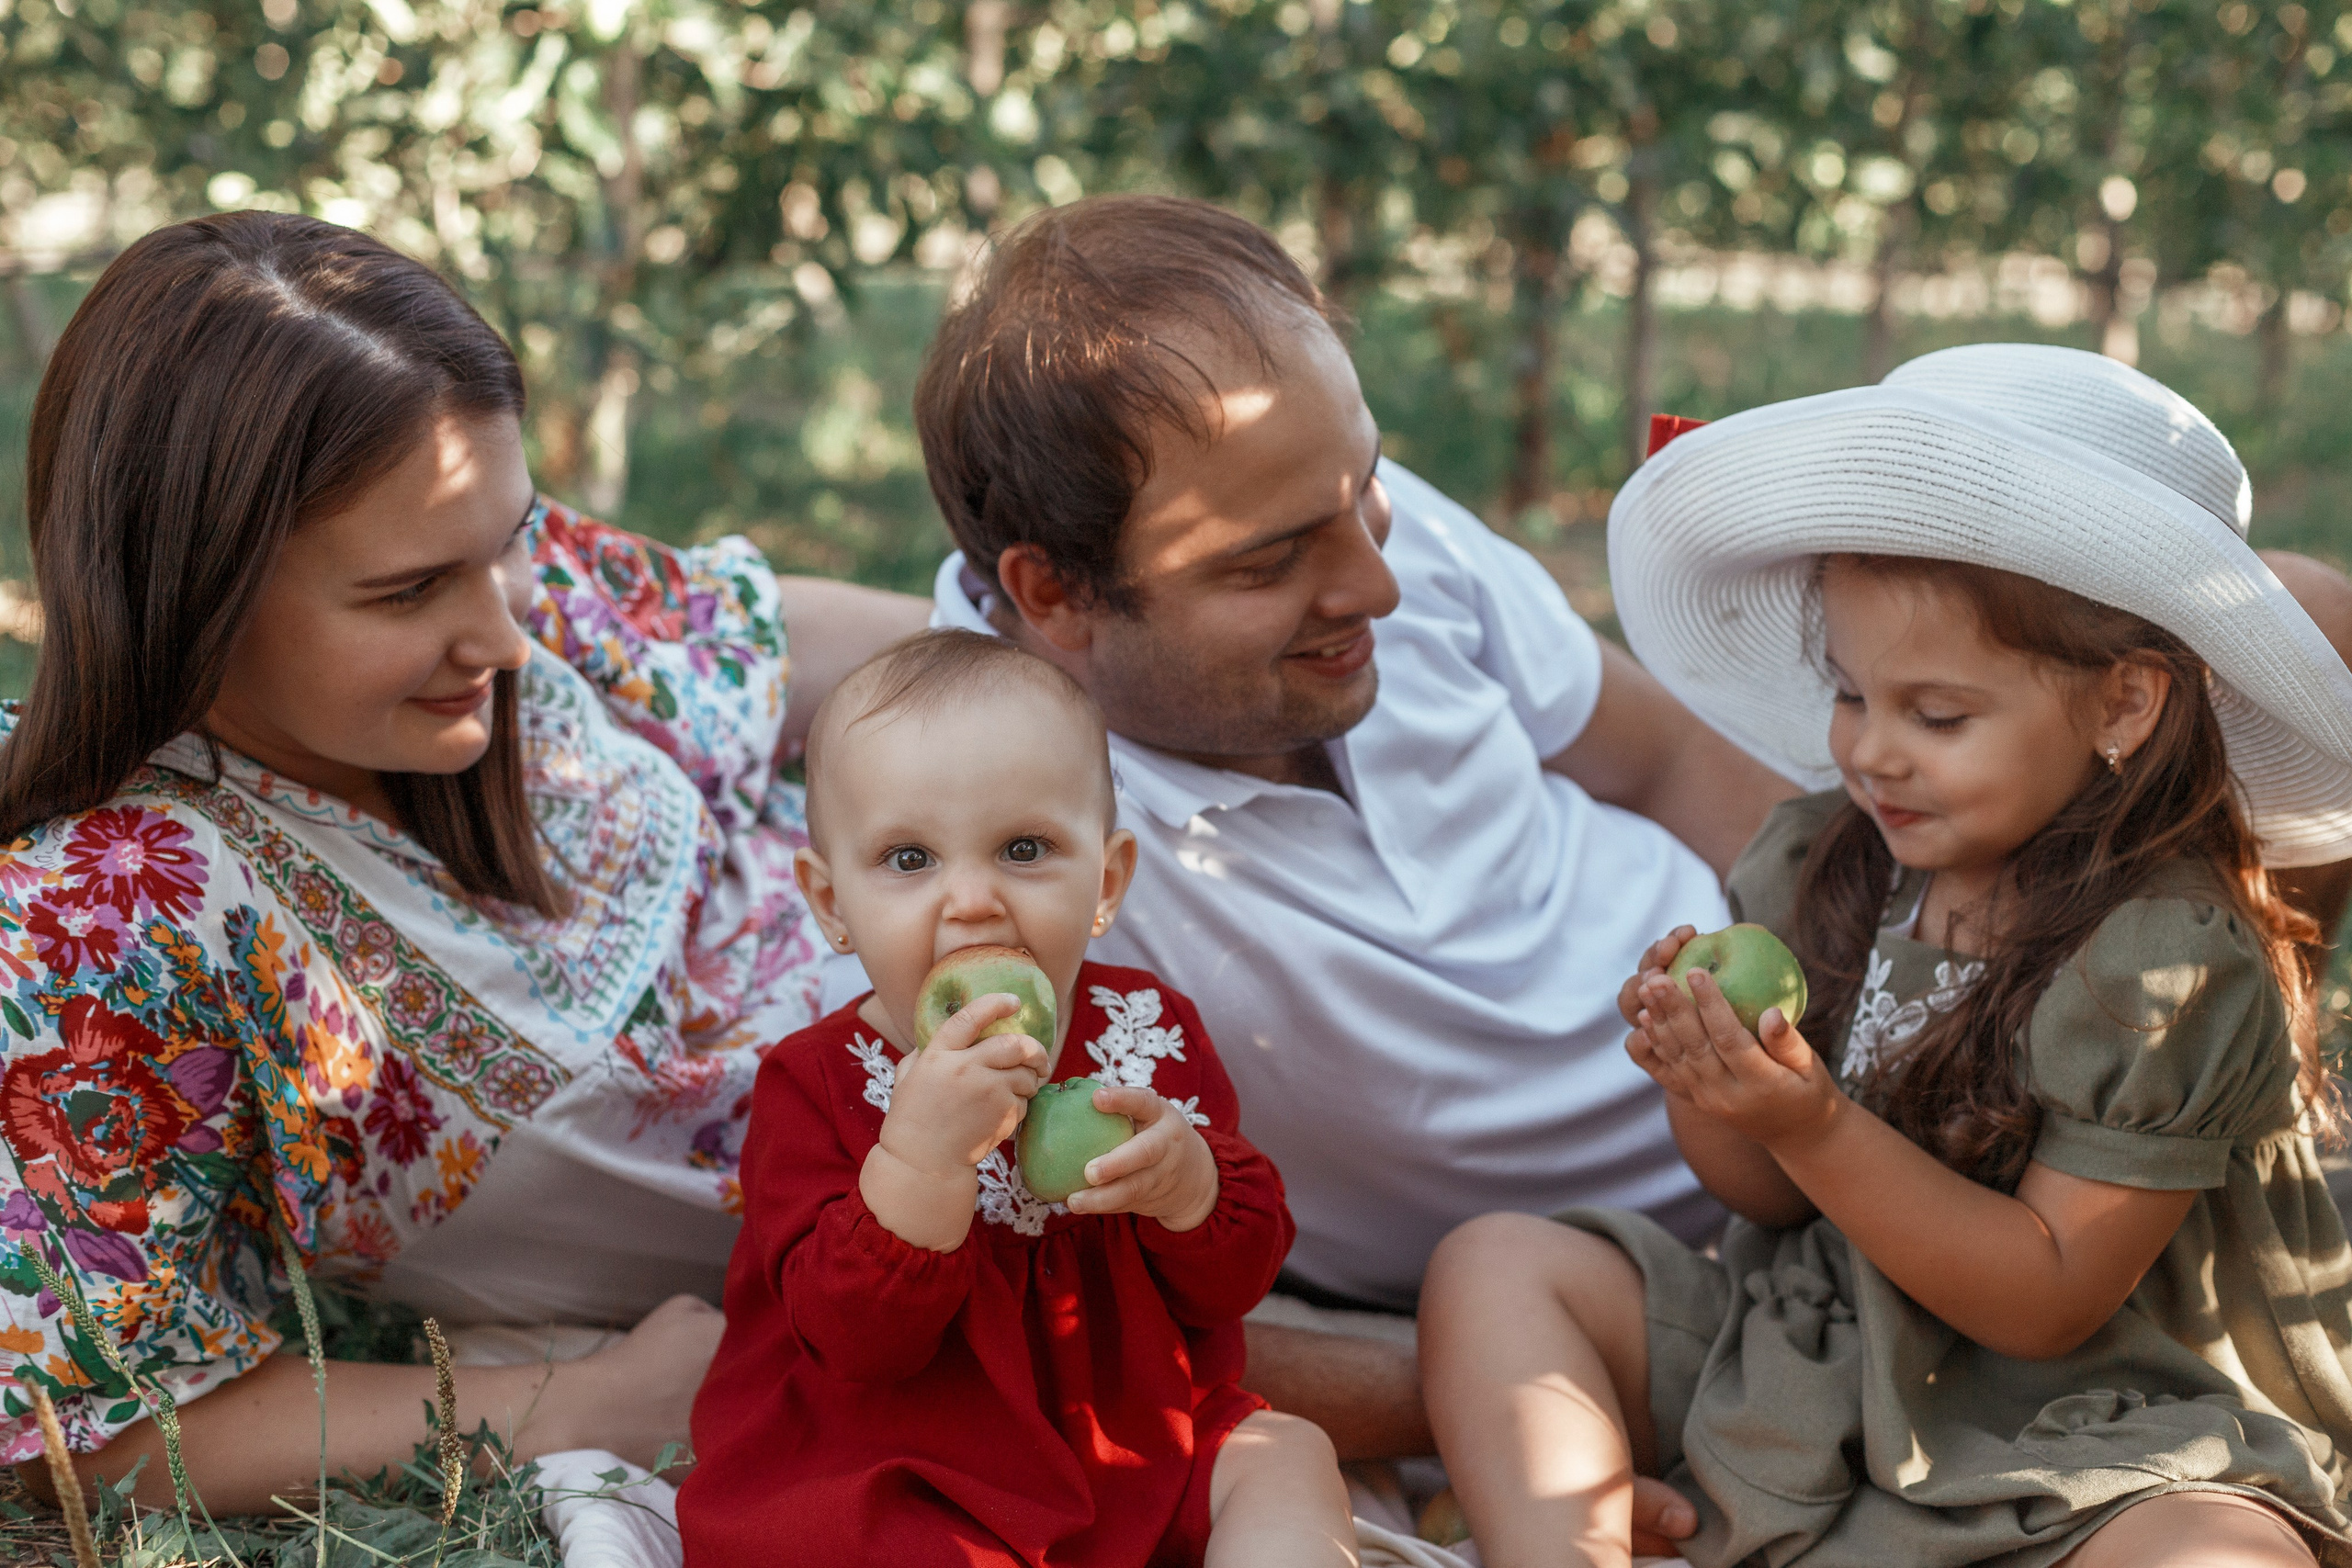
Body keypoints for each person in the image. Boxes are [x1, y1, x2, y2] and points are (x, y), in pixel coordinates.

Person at [905, 194, 2352, 1487]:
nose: (1382, 580)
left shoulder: (1354, 536)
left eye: (1364, 490)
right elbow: (1063, 1305)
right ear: (1054, 595)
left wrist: (1885, 950)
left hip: (1843, 1051)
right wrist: (1527, 1385)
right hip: (1642, 1247)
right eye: (1270, 560)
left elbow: (1658, 750)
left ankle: (2194, 1091)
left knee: (2295, 620)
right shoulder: (996, 846)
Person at [0, 212, 927, 1511]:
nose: (505, 629)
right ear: (194, 586)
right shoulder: (108, 910)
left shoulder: (465, 553)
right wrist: (589, 1403)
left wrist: (1055, 685)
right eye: (408, 591)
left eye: (511, 538)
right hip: (931, 1223)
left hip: (1057, 930)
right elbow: (89, 1425)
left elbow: (752, 642)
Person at [1419, 344, 2352, 1567]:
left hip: (2095, 1419)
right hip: (1820, 1352)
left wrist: (1811, 1124)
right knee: (1498, 1264)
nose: (1872, 752)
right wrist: (1714, 1083)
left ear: (2124, 703)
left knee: (2215, 1555)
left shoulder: (2164, 962)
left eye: (1939, 714)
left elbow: (2048, 1293)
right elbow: (1763, 1195)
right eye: (1852, 693)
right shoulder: (1833, 861)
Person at [681, 630, 1354, 1566]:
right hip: (911, 1462)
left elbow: (1234, 1281)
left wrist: (1187, 1186)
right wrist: (921, 1162)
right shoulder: (820, 1082)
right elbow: (854, 1343)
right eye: (909, 860)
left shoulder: (1148, 1036)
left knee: (1285, 1457)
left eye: (1023, 848)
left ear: (1105, 882)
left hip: (1132, 1444)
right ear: (831, 904)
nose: (971, 901)